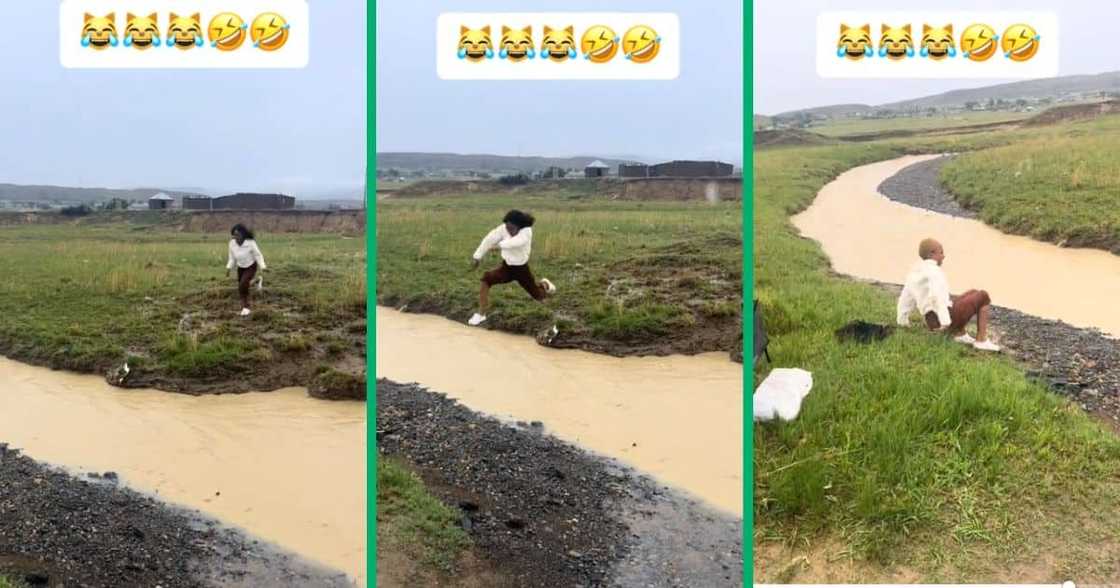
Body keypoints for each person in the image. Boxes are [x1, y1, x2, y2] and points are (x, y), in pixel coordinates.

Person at [896, 238, 1000, 352]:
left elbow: (905, 298)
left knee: (973, 292)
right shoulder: (934, 271)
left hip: (931, 320)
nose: (943, 256)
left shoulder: (915, 271)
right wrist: (945, 322)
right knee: (983, 296)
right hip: (941, 321)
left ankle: (960, 334)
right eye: (941, 252)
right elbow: (936, 297)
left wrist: (902, 321)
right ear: (932, 253)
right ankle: (981, 341)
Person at [468, 209, 556, 326]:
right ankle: (481, 314)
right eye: (507, 227)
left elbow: (516, 242)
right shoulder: (503, 228)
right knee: (486, 279)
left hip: (521, 269)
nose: (509, 230)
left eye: (512, 228)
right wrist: (477, 257)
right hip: (506, 267)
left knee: (539, 296)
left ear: (519, 226)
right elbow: (489, 239)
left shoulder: (526, 231)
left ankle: (544, 284)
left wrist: (499, 246)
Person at [225, 223, 266, 317]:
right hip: (241, 267)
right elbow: (232, 258)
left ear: (243, 234)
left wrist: (263, 267)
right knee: (242, 285)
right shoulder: (231, 244)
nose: (236, 237)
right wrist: (228, 268)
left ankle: (246, 307)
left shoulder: (250, 243)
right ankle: (257, 280)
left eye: (238, 235)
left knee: (242, 286)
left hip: (251, 266)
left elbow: (258, 255)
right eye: (234, 235)